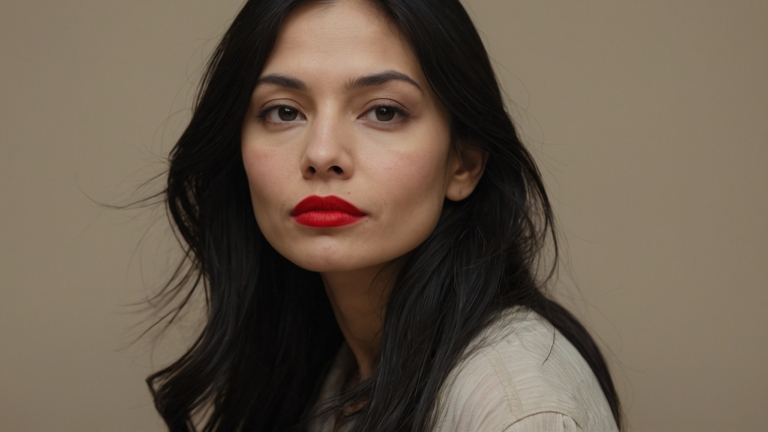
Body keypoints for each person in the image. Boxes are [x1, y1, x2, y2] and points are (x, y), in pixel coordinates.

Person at [147, 0, 622, 430]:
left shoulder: (515, 408)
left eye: (384, 112)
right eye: (284, 112)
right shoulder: (329, 370)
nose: (322, 153)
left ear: (464, 162)